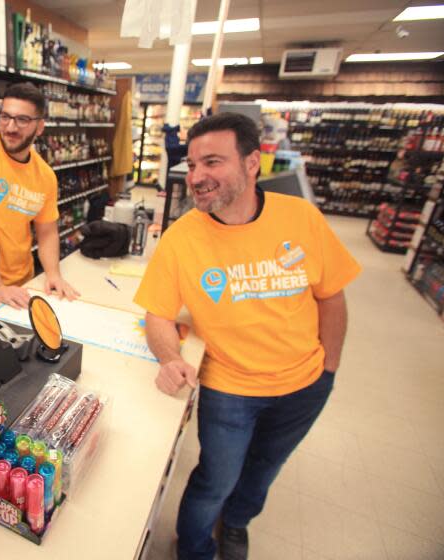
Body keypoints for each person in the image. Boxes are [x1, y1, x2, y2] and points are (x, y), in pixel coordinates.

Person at [133, 113, 361, 560]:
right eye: (193, 164)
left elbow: (332, 297)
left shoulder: (301, 218)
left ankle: (236, 524)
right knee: (215, 478)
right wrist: (168, 357)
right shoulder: (182, 238)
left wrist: (328, 371)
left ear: (252, 162)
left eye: (212, 162)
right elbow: (157, 315)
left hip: (304, 385)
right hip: (229, 390)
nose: (197, 176)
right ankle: (195, 549)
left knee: (264, 470)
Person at [0, 82, 78, 308]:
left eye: (22, 120)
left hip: (23, 282)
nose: (10, 127)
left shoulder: (46, 176)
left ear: (40, 127)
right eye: (5, 117)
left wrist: (53, 274)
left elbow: (47, 232)